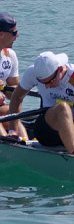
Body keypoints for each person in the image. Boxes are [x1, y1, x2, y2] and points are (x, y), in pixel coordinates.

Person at [8, 52, 74, 155]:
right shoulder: (33, 72)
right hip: (48, 130)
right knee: (63, 108)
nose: (47, 86)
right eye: (42, 83)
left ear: (60, 69)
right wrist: (12, 131)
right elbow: (16, 97)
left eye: (50, 82)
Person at [0, 13, 27, 141]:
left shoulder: (9, 55)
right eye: (14, 33)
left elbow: (14, 90)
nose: (18, 36)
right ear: (1, 34)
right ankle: (7, 144)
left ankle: (23, 142)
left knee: (11, 114)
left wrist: (6, 89)